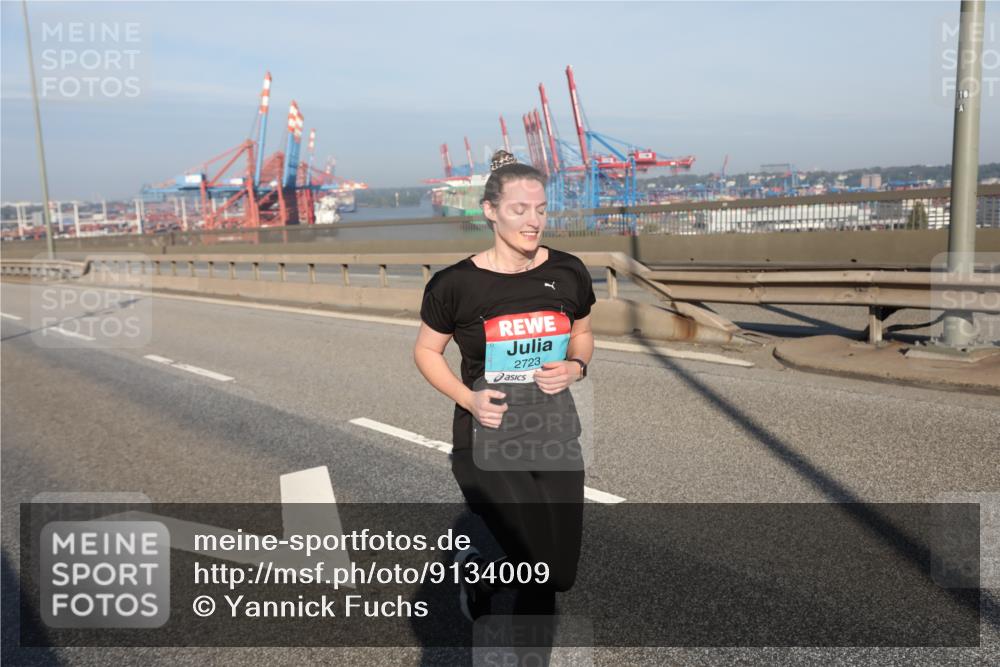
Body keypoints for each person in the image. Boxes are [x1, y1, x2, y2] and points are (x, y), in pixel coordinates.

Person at [413, 150, 596, 628]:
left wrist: (576, 366)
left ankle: (481, 575)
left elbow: (582, 333)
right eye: (519, 209)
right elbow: (426, 352)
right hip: (488, 440)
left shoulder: (569, 271)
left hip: (555, 435)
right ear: (490, 211)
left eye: (540, 209)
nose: (533, 221)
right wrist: (468, 398)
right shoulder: (455, 285)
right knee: (537, 572)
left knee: (560, 574)